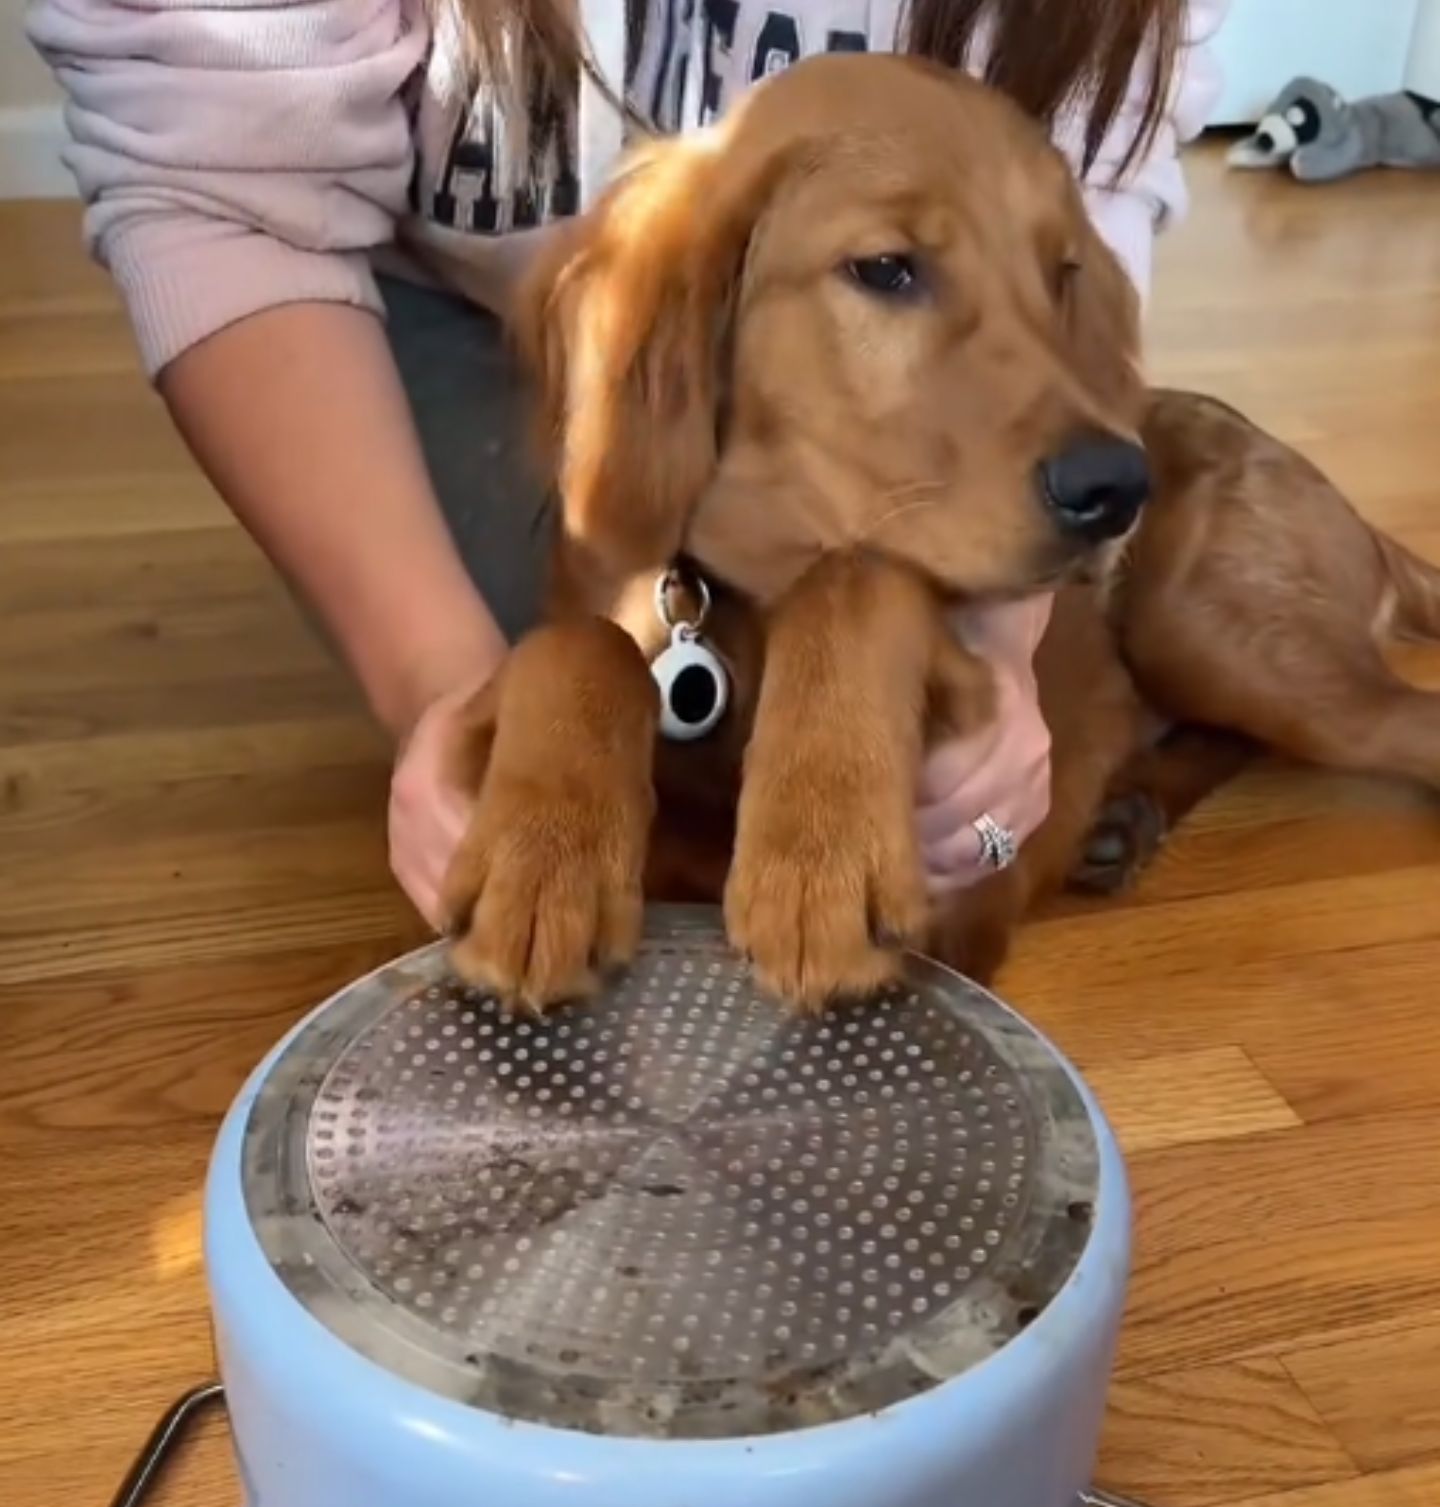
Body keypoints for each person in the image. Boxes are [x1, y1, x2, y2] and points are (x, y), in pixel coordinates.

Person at [29, 0, 1229, 930]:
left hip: (800, 359)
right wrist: (448, 697)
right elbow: (223, 175)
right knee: (601, 687)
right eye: (889, 270)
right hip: (443, 305)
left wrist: (1000, 653)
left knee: (854, 706)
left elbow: (1085, 190)